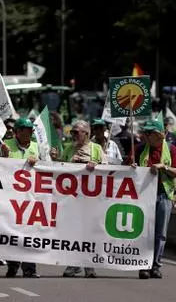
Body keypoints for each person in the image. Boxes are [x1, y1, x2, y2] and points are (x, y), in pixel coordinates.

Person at [51, 119, 104, 278]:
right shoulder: (69, 148)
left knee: (89, 232)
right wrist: (57, 160)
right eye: (72, 132)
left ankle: (89, 265)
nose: (73, 135)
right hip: (72, 198)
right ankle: (73, 264)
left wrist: (96, 165)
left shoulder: (96, 149)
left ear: (86, 133)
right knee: (73, 231)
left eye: (76, 132)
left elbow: (108, 171)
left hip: (91, 199)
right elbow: (62, 169)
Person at [131, 118, 176, 279]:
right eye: (145, 132)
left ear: (159, 135)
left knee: (161, 233)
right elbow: (125, 170)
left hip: (163, 195)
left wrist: (164, 167)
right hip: (144, 196)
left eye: (149, 133)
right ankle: (143, 265)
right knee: (144, 232)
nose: (145, 135)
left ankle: (155, 265)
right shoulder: (139, 149)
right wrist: (131, 167)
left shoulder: (171, 149)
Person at [1, 117, 40, 278]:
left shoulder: (37, 147)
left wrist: (40, 160)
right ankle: (13, 264)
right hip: (11, 197)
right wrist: (1, 157)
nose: (30, 132)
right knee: (12, 233)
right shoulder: (6, 146)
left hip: (31, 198)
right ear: (18, 131)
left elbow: (50, 166)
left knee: (30, 234)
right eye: (27, 129)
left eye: (31, 130)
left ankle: (29, 269)